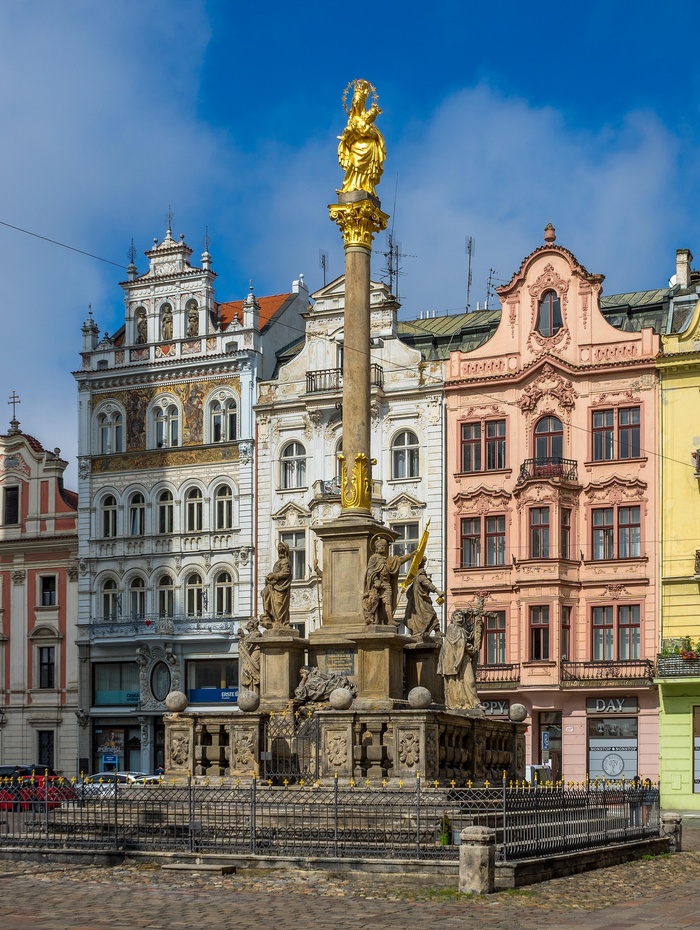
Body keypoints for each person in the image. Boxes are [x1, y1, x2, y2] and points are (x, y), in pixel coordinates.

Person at [337, 79, 386, 197]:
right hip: (356, 149)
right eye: (355, 101)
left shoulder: (369, 122)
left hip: (369, 149)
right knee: (353, 167)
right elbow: (348, 140)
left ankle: (366, 186)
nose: (356, 103)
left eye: (359, 101)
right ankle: (349, 187)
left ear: (362, 104)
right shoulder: (352, 121)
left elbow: (375, 135)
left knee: (366, 173)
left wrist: (366, 131)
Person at [437, 601, 487, 711]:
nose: (459, 616)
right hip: (453, 660)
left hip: (463, 658)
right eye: (457, 614)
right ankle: (459, 703)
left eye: (461, 614)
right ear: (453, 618)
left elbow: (472, 634)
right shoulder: (452, 628)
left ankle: (474, 703)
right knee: (458, 682)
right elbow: (460, 642)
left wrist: (478, 621)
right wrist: (472, 649)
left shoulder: (464, 630)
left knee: (470, 681)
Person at [363, 536, 413, 626]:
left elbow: (399, 560)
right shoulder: (373, 558)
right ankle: (372, 618)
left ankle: (390, 620)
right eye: (380, 546)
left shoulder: (390, 559)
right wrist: (376, 580)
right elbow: (370, 572)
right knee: (374, 600)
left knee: (388, 602)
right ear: (376, 548)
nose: (382, 547)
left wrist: (410, 555)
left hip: (386, 584)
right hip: (376, 585)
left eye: (383, 546)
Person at [404, 558, 444, 637]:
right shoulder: (420, 575)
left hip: (421, 600)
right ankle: (435, 631)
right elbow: (427, 584)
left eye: (424, 563)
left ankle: (435, 631)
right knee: (430, 613)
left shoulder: (416, 577)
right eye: (423, 563)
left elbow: (409, 592)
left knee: (428, 614)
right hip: (421, 601)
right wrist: (437, 591)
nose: (424, 565)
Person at [260, 542, 292, 628]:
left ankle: (282, 623)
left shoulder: (285, 561)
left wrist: (274, 575)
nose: (279, 549)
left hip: (281, 587)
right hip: (275, 586)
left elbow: (286, 573)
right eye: (278, 547)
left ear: (285, 550)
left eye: (281, 547)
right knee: (265, 593)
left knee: (279, 605)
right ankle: (271, 618)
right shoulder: (279, 561)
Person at [239, 617, 263, 691]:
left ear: (254, 625)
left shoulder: (256, 634)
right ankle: (250, 689)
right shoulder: (251, 634)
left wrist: (243, 639)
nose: (248, 624)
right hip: (250, 653)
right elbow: (247, 641)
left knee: (251, 670)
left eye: (250, 623)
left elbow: (247, 643)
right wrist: (243, 636)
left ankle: (254, 690)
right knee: (246, 669)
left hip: (255, 653)